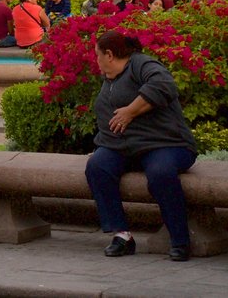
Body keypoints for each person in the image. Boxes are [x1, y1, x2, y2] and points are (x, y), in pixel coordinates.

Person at [83, 31, 199, 262]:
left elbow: (163, 85)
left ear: (109, 54)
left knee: (160, 172)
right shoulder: (109, 78)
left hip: (167, 144)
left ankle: (180, 240)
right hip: (123, 148)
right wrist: (103, 145)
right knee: (97, 166)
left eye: (97, 55)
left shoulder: (141, 64)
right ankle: (122, 236)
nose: (95, 60)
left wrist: (130, 111)